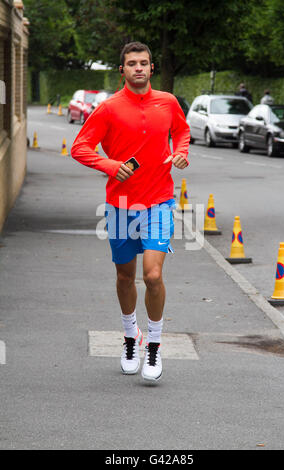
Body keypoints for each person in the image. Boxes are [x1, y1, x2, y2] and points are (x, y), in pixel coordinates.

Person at [71, 42, 190, 382]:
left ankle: (153, 343)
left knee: (153, 276)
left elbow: (181, 132)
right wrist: (110, 165)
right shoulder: (108, 108)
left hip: (159, 201)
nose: (139, 68)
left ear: (152, 68)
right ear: (121, 70)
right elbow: (80, 147)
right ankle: (129, 335)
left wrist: (181, 152)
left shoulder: (167, 102)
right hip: (121, 206)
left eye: (144, 63)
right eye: (132, 63)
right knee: (125, 276)